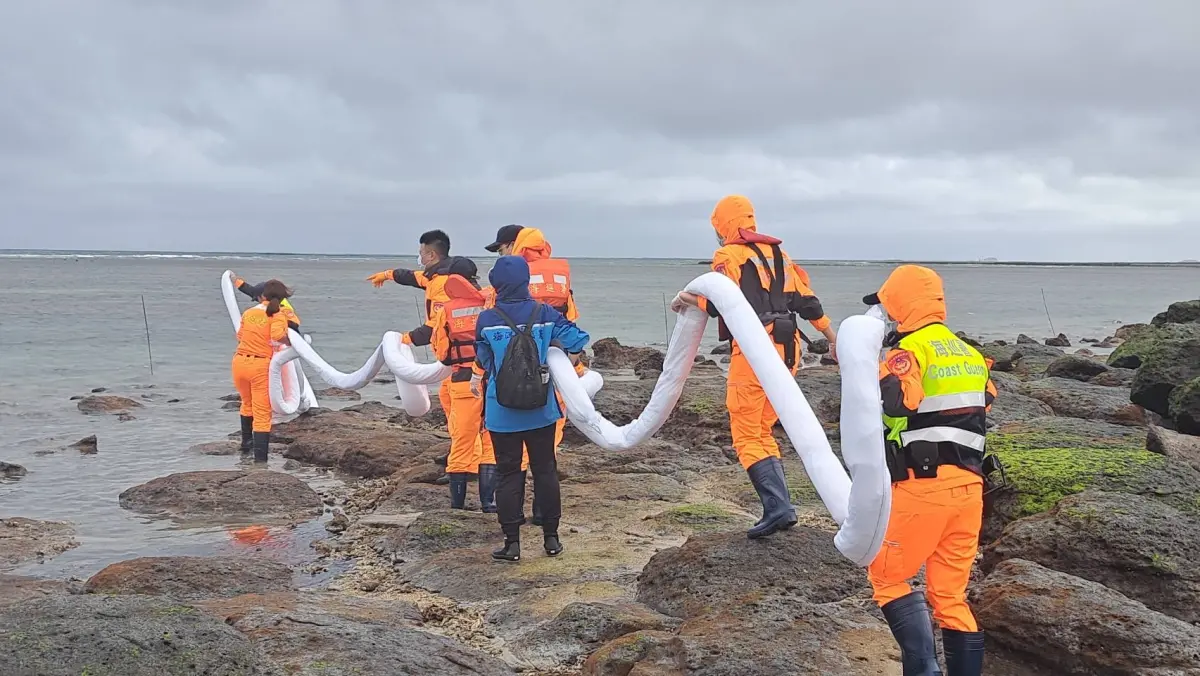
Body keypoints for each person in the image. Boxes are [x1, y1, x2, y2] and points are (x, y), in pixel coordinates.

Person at [672, 195, 834, 539]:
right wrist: (832, 339)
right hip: (789, 349)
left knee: (746, 432)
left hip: (755, 349)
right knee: (763, 427)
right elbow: (808, 302)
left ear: (723, 225)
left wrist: (687, 298)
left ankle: (777, 508)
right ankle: (781, 507)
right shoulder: (779, 255)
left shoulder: (728, 256)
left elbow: (721, 301)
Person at [862, 264, 997, 676]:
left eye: (889, 305)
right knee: (950, 596)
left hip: (924, 486)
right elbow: (986, 400)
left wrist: (873, 366)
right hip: (970, 490)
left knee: (887, 577)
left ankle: (924, 670)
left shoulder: (909, 352)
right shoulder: (969, 353)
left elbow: (896, 405)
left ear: (902, 304)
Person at [472, 255, 590, 562]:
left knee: (508, 474)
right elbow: (578, 339)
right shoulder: (545, 312)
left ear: (496, 285)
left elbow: (484, 360)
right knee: (545, 469)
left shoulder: (486, 319)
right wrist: (568, 358)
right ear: (527, 281)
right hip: (541, 408)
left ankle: (512, 544)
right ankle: (551, 539)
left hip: (502, 411)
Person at [367, 230, 493, 495]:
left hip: (461, 366)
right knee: (463, 411)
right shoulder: (440, 277)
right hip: (473, 364)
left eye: (422, 253)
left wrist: (404, 340)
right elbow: (413, 277)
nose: (420, 258)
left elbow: (438, 325)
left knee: (460, 412)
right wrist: (388, 274)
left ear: (432, 255)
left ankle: (466, 464)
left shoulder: (443, 287)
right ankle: (469, 457)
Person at [427, 273, 494, 511]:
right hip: (493, 381)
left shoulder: (447, 310)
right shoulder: (491, 303)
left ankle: (457, 505)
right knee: (491, 441)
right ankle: (489, 503)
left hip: (463, 382)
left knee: (462, 442)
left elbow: (442, 353)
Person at [231, 279, 294, 463]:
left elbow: (240, 335)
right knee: (262, 413)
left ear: (262, 296)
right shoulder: (278, 315)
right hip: (260, 365)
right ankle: (260, 463)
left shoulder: (249, 312)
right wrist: (291, 342)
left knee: (246, 403)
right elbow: (277, 336)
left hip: (239, 362)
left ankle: (246, 447)